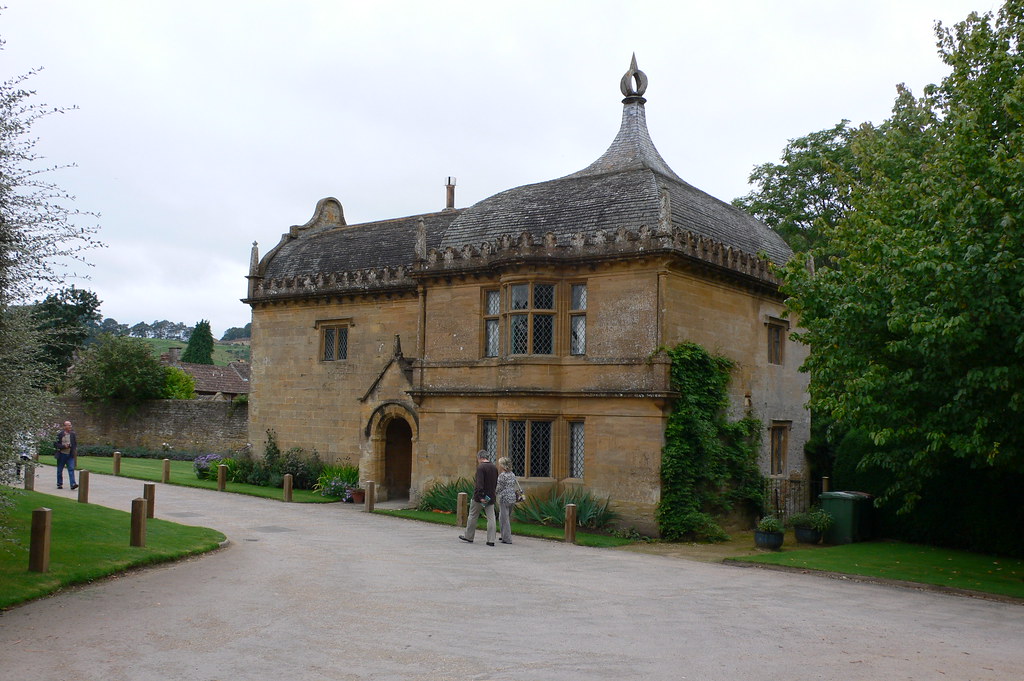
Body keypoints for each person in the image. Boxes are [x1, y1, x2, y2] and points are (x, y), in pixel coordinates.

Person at [459, 450, 497, 546]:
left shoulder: (481, 467)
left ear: (480, 457)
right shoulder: (494, 467)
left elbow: (479, 483)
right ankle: (491, 540)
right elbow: (495, 482)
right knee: (491, 518)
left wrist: (481, 496)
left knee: (473, 515)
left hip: (480, 496)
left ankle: (469, 536)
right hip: (491, 495)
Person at [495, 457, 519, 544]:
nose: (498, 465)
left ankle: (507, 539)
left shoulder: (502, 475)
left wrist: (493, 493)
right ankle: (503, 535)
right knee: (504, 517)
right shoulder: (512, 474)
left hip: (504, 498)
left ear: (502, 465)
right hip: (512, 498)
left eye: (499, 464)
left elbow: (499, 488)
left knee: (504, 519)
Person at [53, 421, 78, 490]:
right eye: (68, 425)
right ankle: (59, 483)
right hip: (62, 454)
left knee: (71, 469)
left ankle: (73, 484)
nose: (70, 427)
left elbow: (75, 443)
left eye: (70, 425)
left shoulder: (73, 434)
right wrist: (64, 446)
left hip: (70, 454)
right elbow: (55, 444)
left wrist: (73, 448)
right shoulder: (60, 434)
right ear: (65, 426)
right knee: (60, 470)